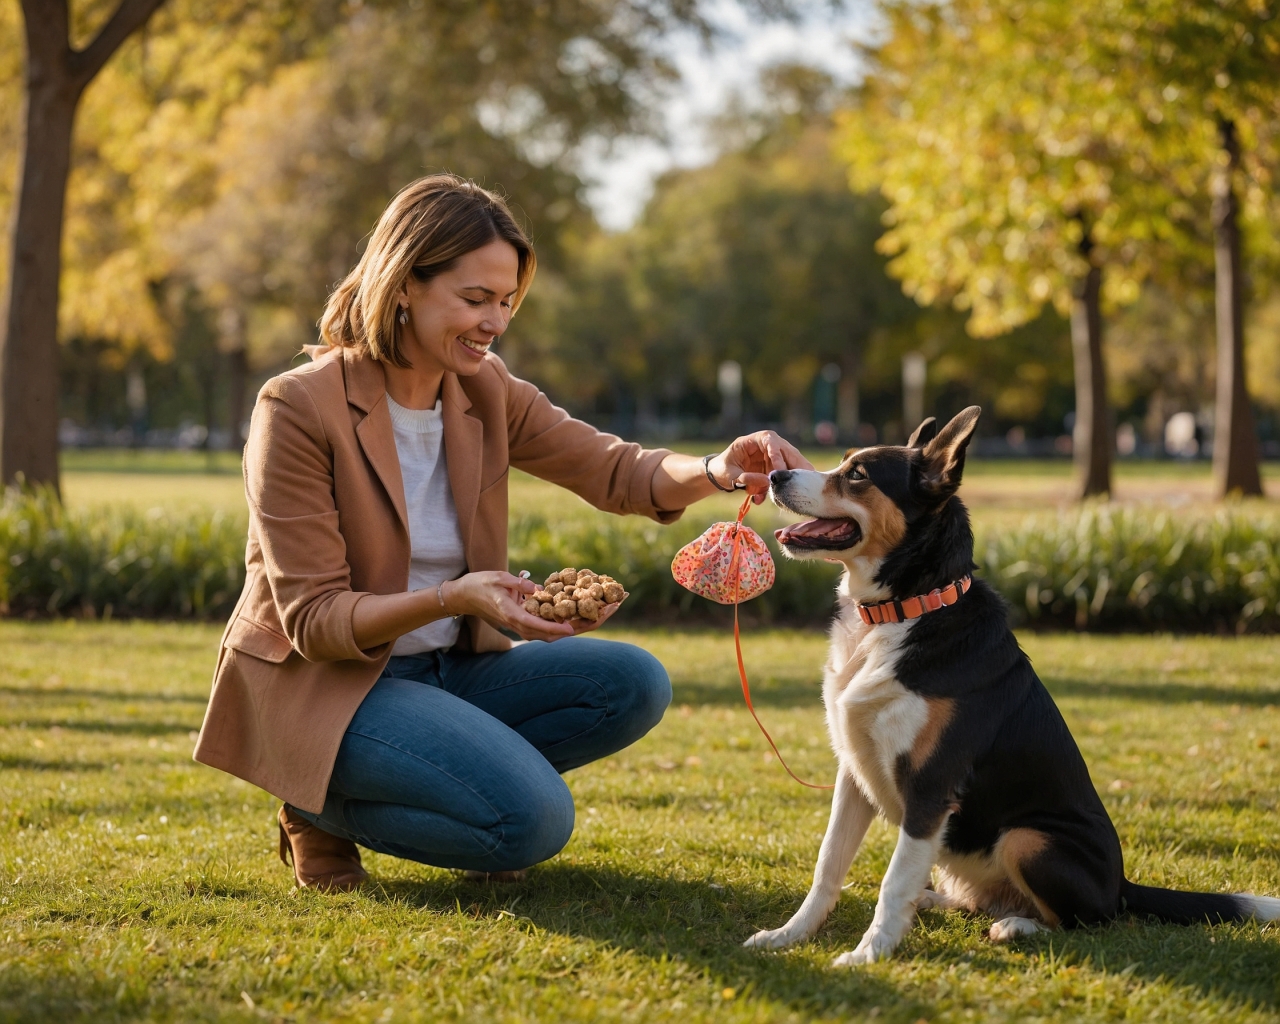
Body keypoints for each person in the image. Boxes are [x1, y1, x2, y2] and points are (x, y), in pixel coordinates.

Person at [194, 174, 812, 890]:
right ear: (404, 287)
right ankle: (317, 806)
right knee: (531, 824)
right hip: (333, 682)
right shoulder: (297, 407)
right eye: (475, 299)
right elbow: (316, 621)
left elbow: (617, 471)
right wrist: (455, 598)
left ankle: (448, 774)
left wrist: (719, 468)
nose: (496, 321)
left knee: (632, 682)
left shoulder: (486, 388)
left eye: (507, 301)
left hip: (452, 670)